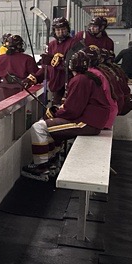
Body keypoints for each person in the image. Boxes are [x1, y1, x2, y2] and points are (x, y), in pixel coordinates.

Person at [22, 50, 113, 181]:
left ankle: (41, 166)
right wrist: (57, 111)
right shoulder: (88, 77)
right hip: (93, 121)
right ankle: (52, 162)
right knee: (51, 126)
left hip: (87, 123)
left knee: (39, 128)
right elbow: (75, 106)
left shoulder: (79, 80)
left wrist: (55, 112)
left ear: (70, 65)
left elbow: (73, 111)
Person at [35, 16, 80, 109]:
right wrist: (35, 78)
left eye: (63, 29)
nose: (60, 32)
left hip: (71, 85)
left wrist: (58, 62)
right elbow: (46, 68)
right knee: (55, 110)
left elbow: (75, 65)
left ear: (67, 29)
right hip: (56, 86)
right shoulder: (51, 45)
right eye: (58, 29)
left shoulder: (75, 43)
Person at [0, 35, 39, 101]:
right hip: (22, 92)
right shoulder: (28, 59)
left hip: (3, 92)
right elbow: (36, 75)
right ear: (20, 45)